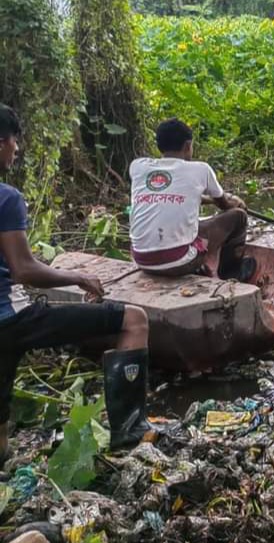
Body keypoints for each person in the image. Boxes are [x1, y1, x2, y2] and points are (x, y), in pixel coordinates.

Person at [0, 103, 152, 461]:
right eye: (14, 142)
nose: (17, 149)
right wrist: (78, 276)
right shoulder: (7, 198)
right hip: (10, 319)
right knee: (134, 320)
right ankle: (129, 433)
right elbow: (24, 269)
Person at [129, 119, 254, 281]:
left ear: (159, 145)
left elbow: (172, 194)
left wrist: (208, 200)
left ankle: (198, 264)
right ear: (188, 146)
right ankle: (230, 271)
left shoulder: (138, 166)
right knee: (238, 216)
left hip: (141, 260)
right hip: (178, 262)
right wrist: (235, 201)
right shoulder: (200, 169)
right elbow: (225, 205)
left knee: (193, 224)